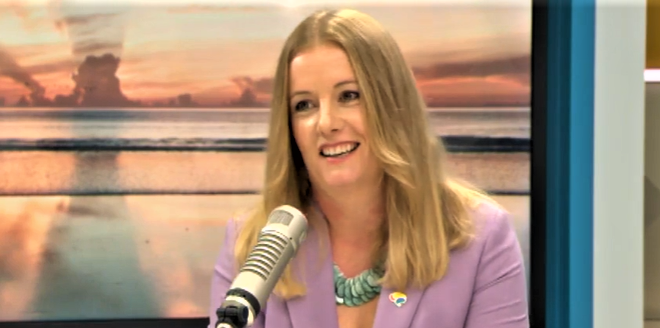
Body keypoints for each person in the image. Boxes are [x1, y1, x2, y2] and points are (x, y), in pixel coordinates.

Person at [210, 8, 529, 328]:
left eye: (349, 96)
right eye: (304, 105)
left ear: (391, 103)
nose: (327, 123)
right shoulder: (252, 244)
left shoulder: (482, 237)